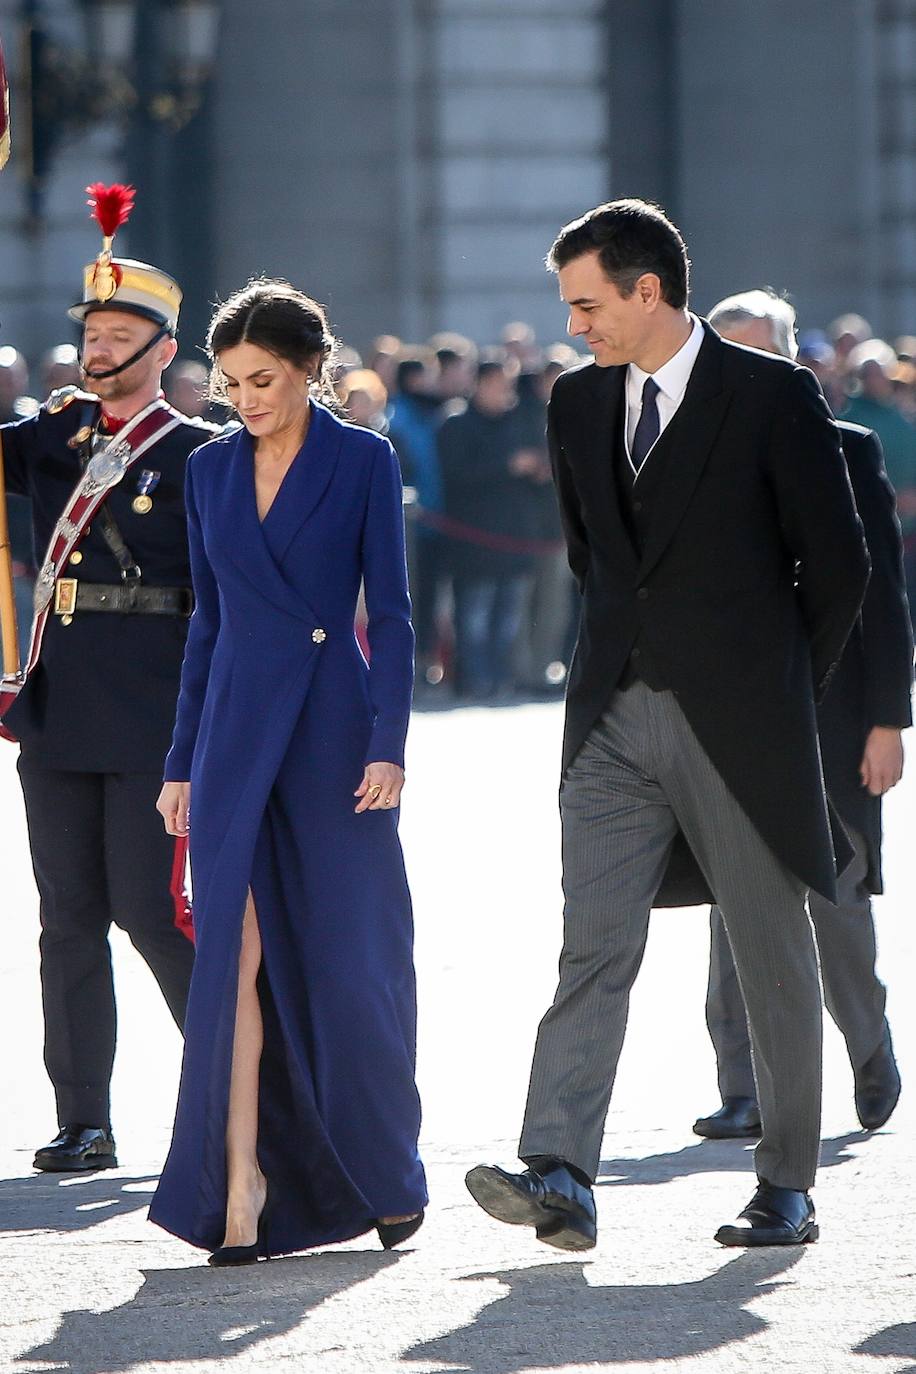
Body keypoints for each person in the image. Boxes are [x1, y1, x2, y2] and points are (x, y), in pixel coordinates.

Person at [465, 199, 869, 1251]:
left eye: (587, 304)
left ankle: (785, 1181)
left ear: (649, 292)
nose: (575, 326)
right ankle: (559, 1170)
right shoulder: (574, 403)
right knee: (590, 945)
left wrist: (778, 689)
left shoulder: (774, 395)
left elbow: (838, 569)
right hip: (607, 717)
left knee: (771, 951)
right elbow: (591, 558)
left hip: (741, 718)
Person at [149, 279, 427, 1264]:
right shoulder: (210, 472)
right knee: (235, 963)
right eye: (229, 384)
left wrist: (388, 741)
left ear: (311, 367)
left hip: (333, 737)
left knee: (354, 965)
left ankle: (382, 1174)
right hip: (230, 741)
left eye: (262, 379)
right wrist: (182, 758)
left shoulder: (362, 459)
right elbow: (208, 626)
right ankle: (239, 1188)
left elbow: (389, 616)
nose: (245, 399)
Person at [0, 184, 215, 1171]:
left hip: (154, 713)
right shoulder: (50, 437)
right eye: (91, 330)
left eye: (120, 331)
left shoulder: (200, 457)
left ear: (162, 348)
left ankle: (241, 1087)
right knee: (66, 921)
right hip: (57, 706)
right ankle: (84, 1119)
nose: (98, 348)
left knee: (152, 913)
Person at [693, 290, 912, 1141]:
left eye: (759, 354)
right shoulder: (695, 454)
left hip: (836, 712)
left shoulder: (848, 451)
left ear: (795, 360)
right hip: (732, 718)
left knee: (838, 901)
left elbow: (884, 600)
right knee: (731, 908)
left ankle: (867, 1043)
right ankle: (743, 1084)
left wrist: (889, 721)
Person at [438, 354, 544, 701]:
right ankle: (475, 681)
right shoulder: (456, 423)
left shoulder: (519, 421)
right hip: (475, 540)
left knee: (510, 618)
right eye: (497, 385)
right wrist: (507, 466)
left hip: (516, 537)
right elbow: (457, 475)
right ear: (480, 384)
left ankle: (504, 679)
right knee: (474, 618)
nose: (504, 393)